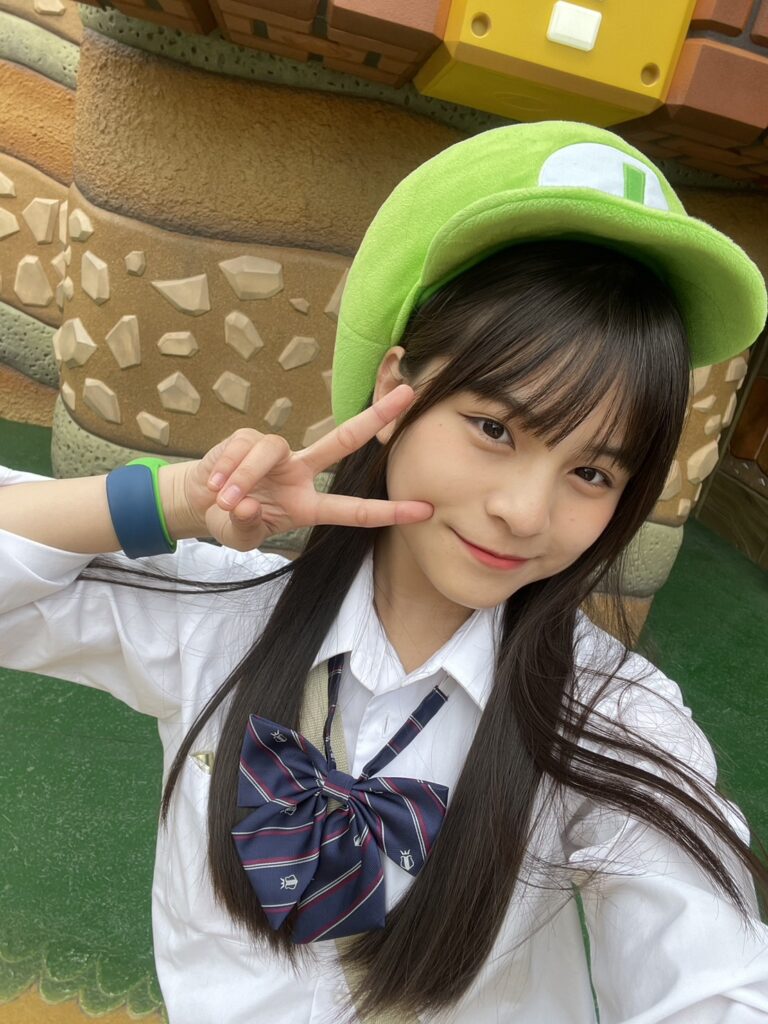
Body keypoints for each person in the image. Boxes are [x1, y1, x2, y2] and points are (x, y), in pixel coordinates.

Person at [0, 120, 767, 1024]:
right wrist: (172, 500)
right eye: (495, 428)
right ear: (396, 390)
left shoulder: (611, 719)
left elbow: (716, 981)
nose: (525, 511)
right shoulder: (223, 615)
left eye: (592, 473)